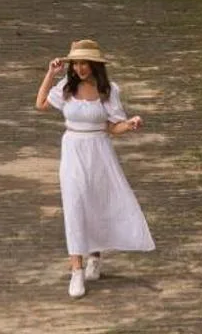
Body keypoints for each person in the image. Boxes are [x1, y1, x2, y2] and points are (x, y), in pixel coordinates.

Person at [35, 37, 155, 298]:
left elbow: (113, 127)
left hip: (99, 150)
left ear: (95, 65)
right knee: (75, 203)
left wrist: (131, 123)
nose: (80, 68)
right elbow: (41, 104)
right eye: (76, 63)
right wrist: (50, 73)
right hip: (73, 149)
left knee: (97, 203)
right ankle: (76, 270)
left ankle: (95, 257)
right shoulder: (66, 86)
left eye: (85, 63)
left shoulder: (108, 90)